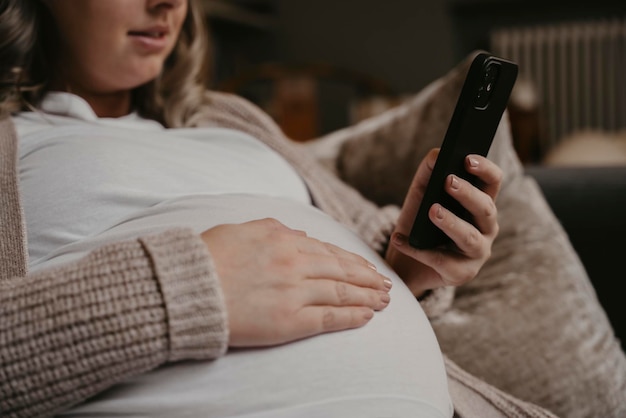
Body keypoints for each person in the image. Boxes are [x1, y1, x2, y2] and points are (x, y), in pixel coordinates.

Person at [0, 1, 558, 417]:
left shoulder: (231, 120)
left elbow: (372, 258)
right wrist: (182, 290)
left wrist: (410, 265)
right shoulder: (14, 135)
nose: (167, 4)